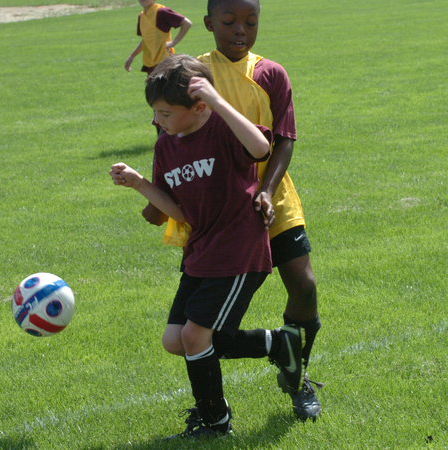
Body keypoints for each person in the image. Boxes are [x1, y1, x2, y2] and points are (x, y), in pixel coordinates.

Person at [142, 0, 323, 421]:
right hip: (219, 208)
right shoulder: (191, 73)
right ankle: (256, 363)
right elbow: (169, 136)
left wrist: (267, 189)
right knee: (201, 327)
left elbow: (282, 140)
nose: (240, 30)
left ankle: (297, 377)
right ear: (209, 24)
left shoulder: (271, 73)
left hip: (270, 199)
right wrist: (154, 195)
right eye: (229, 22)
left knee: (304, 286)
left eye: (250, 22)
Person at [111, 54, 290, 439]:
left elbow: (261, 148)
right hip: (201, 251)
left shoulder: (223, 128)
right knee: (175, 341)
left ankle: (215, 422)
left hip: (239, 250)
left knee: (195, 337)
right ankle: (278, 343)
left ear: (199, 107)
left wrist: (219, 101)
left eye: (165, 113)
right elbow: (179, 211)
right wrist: (139, 184)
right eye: (155, 112)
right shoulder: (166, 146)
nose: (157, 120)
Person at [123, 0, 192, 74]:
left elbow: (187, 23)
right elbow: (145, 40)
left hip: (165, 63)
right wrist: (131, 56)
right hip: (150, 64)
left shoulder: (161, 12)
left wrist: (173, 42)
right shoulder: (141, 16)